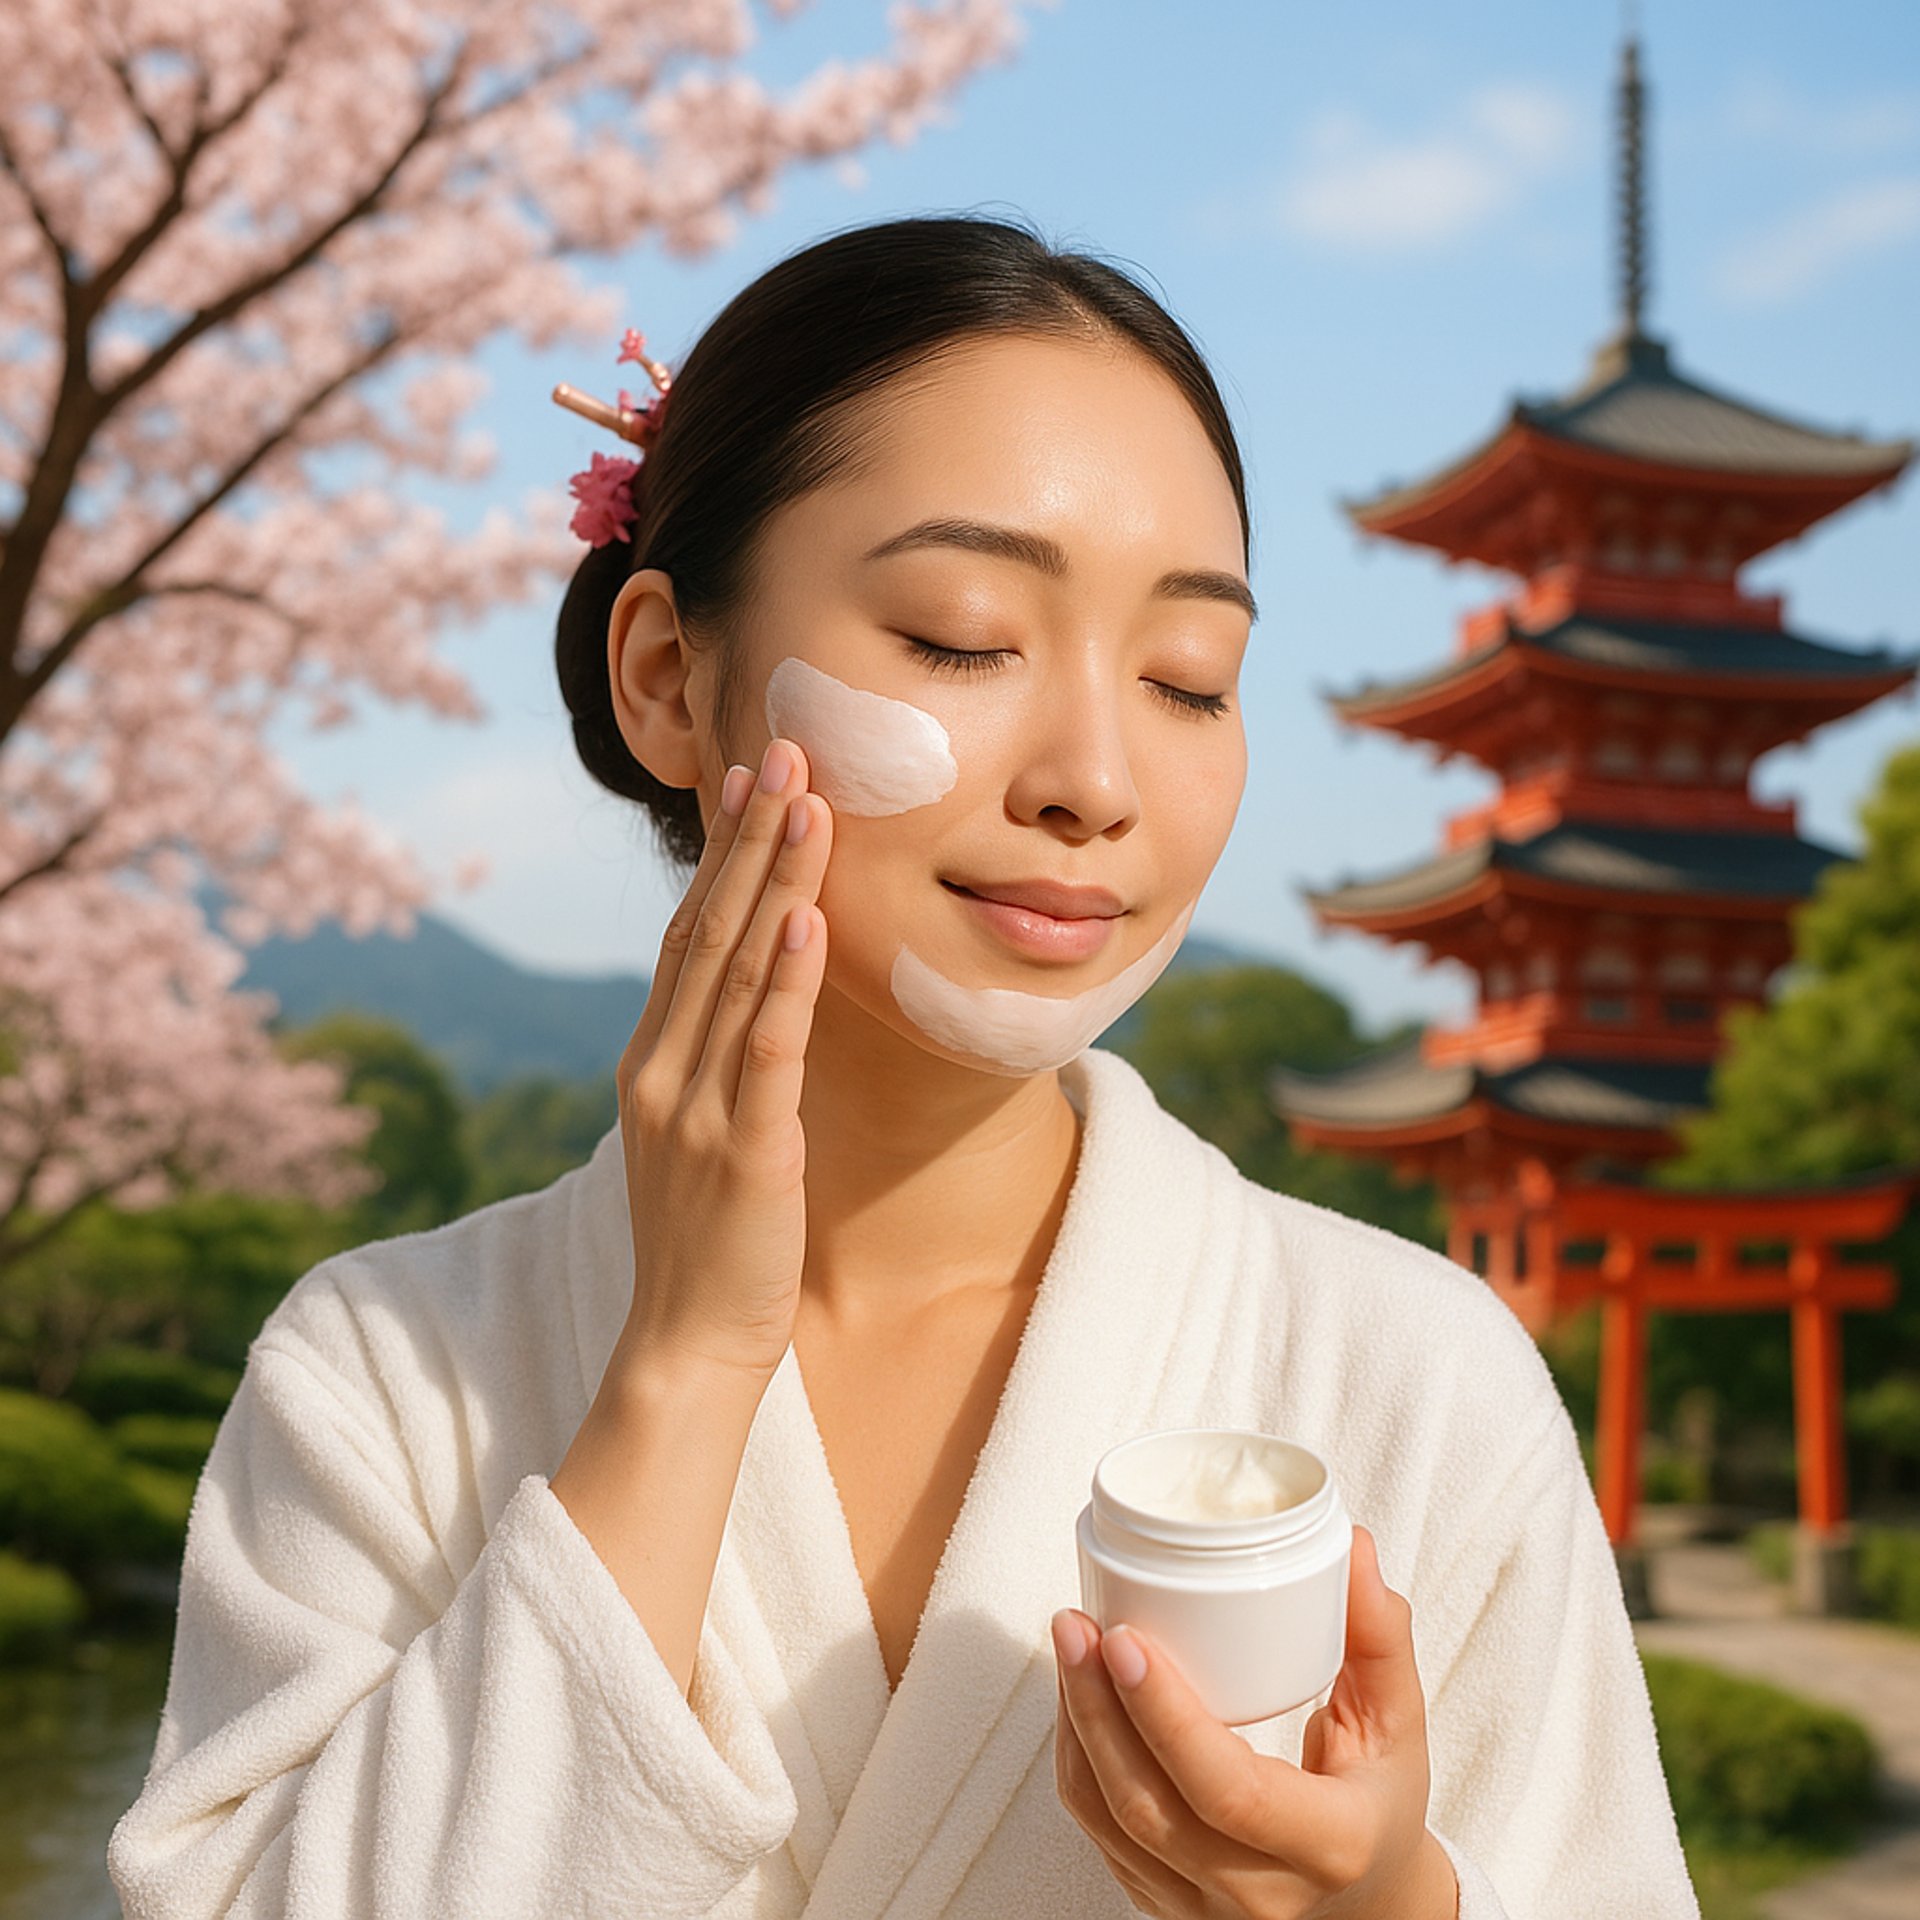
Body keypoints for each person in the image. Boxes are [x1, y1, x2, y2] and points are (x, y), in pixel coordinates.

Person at [108, 213, 1700, 1919]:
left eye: (1189, 676)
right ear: (666, 674)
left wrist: (1393, 1909)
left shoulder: (1416, 1378)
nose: (1098, 775)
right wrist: (680, 1371)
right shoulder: (387, 1377)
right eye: (958, 634)